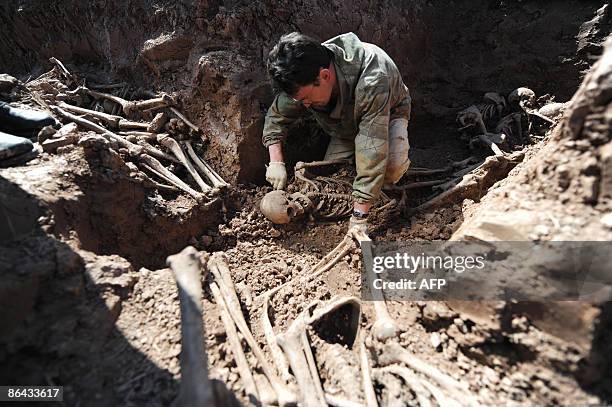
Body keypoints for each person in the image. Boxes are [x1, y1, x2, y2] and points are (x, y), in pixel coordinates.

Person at [262, 32, 412, 233]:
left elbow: (372, 149)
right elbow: (277, 115)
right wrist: (276, 161)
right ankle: (362, 184)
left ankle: (376, 193)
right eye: (300, 101)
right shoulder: (302, 73)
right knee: (333, 178)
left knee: (390, 168)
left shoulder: (373, 78)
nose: (304, 105)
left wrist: (359, 218)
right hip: (343, 126)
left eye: (307, 98)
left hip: (386, 114)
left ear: (324, 76)